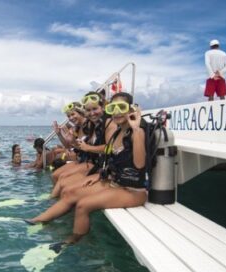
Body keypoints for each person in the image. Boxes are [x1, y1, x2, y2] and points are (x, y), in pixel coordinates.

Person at [27, 92, 147, 245]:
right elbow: (112, 157)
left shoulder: (137, 131)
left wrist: (136, 129)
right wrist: (100, 175)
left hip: (133, 190)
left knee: (84, 205)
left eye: (121, 107)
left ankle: (72, 241)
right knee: (71, 193)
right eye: (113, 107)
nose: (116, 112)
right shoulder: (117, 131)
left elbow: (139, 164)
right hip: (114, 181)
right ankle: (39, 220)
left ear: (131, 109)